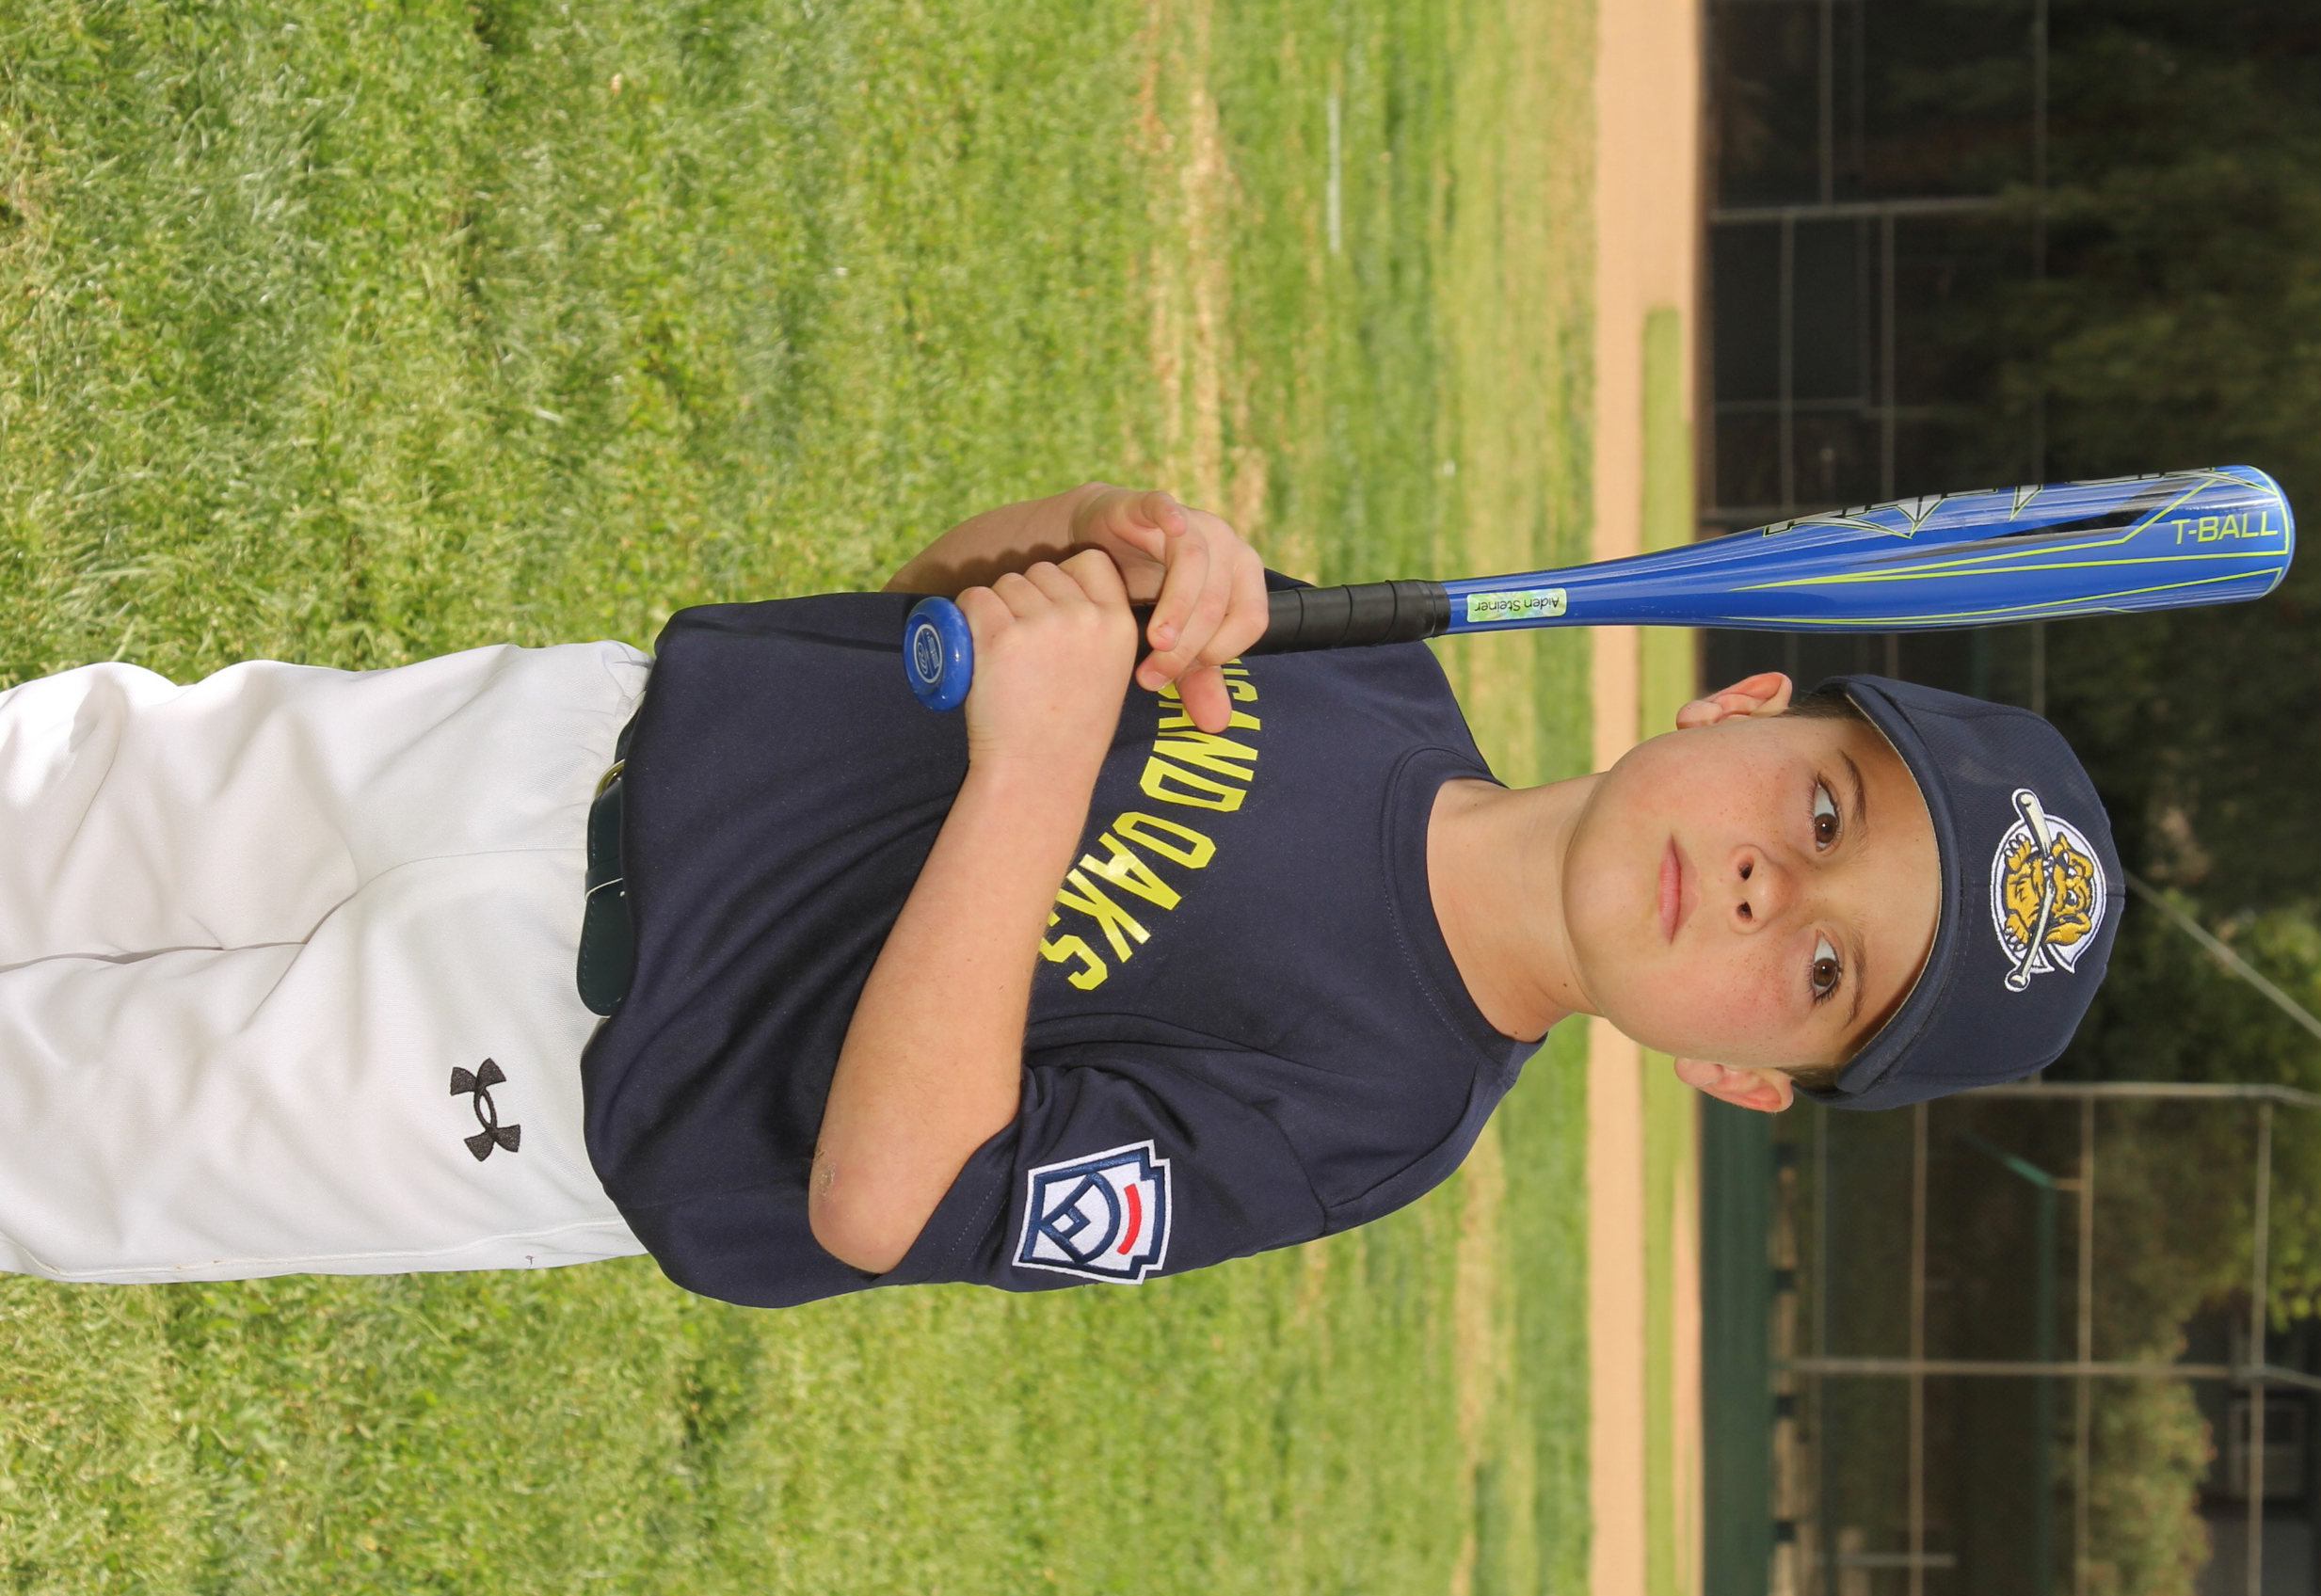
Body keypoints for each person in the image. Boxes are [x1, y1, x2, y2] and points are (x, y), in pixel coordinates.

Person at [0, 485, 2121, 1303]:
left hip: (537, 1067)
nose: (1760, 885)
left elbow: (891, 1196)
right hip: (557, 747)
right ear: (1741, 701)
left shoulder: (1373, 1115)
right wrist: (1076, 554)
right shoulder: (1370, 667)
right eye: (1821, 806)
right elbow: (932, 618)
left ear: (1749, 1082)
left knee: (50, 1122)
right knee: (65, 779)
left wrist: (1033, 763)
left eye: (1822, 970)